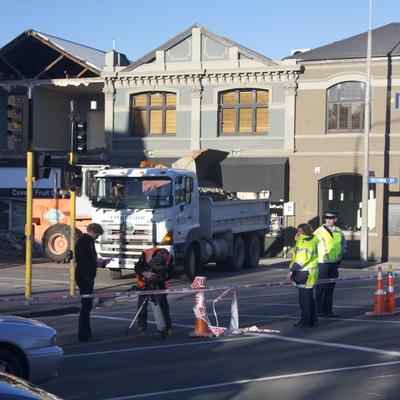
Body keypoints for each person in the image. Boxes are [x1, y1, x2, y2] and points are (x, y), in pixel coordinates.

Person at [75, 223, 110, 342]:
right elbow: (82, 261)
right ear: (93, 232)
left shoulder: (89, 242)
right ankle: (84, 335)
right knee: (86, 306)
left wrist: (101, 262)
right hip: (84, 276)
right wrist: (97, 263)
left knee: (87, 306)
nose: (97, 237)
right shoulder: (84, 242)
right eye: (98, 235)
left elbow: (89, 259)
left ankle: (86, 334)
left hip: (87, 275)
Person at [134, 246, 173, 339]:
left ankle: (167, 327)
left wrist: (165, 279)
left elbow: (170, 271)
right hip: (144, 281)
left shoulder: (170, 257)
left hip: (159, 281)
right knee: (142, 305)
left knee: (163, 304)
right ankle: (142, 327)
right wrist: (144, 273)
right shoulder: (147, 253)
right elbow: (137, 267)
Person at [314, 211, 347, 318]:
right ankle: (321, 312)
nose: (328, 220)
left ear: (335, 219)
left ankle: (329, 311)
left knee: (330, 289)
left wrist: (343, 251)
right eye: (326, 218)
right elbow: (313, 246)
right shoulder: (318, 232)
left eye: (331, 218)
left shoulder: (339, 231)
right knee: (320, 289)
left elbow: (343, 243)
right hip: (322, 263)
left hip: (334, 264)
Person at [287, 223, 319, 328]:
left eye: (299, 231)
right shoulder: (308, 240)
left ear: (304, 232)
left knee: (304, 299)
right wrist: (297, 240)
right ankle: (311, 320)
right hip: (308, 273)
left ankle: (306, 321)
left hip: (304, 273)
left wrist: (291, 271)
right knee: (308, 298)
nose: (297, 233)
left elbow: (302, 259)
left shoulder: (305, 243)